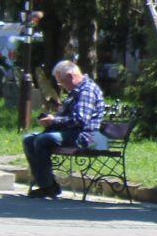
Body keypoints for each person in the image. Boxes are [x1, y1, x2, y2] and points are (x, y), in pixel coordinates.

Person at [23, 59, 106, 200]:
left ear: (70, 76)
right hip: (73, 133)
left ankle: (47, 186)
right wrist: (52, 119)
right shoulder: (76, 91)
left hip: (88, 137)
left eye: (61, 82)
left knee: (43, 140)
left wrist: (54, 120)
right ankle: (47, 184)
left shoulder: (86, 90)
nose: (61, 86)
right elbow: (69, 118)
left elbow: (81, 120)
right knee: (29, 139)